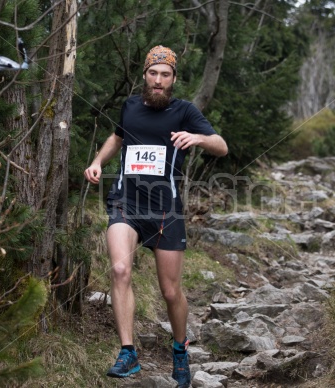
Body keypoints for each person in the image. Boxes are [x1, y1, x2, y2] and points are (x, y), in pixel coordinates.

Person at [84, 45, 228, 387]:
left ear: (173, 79)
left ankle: (180, 350)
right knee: (119, 269)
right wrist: (96, 162)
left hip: (165, 209)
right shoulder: (131, 106)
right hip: (126, 202)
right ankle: (128, 353)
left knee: (170, 291)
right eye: (153, 73)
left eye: (165, 75)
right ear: (145, 75)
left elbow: (221, 146)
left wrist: (197, 138)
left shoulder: (184, 112)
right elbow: (117, 137)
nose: (159, 80)